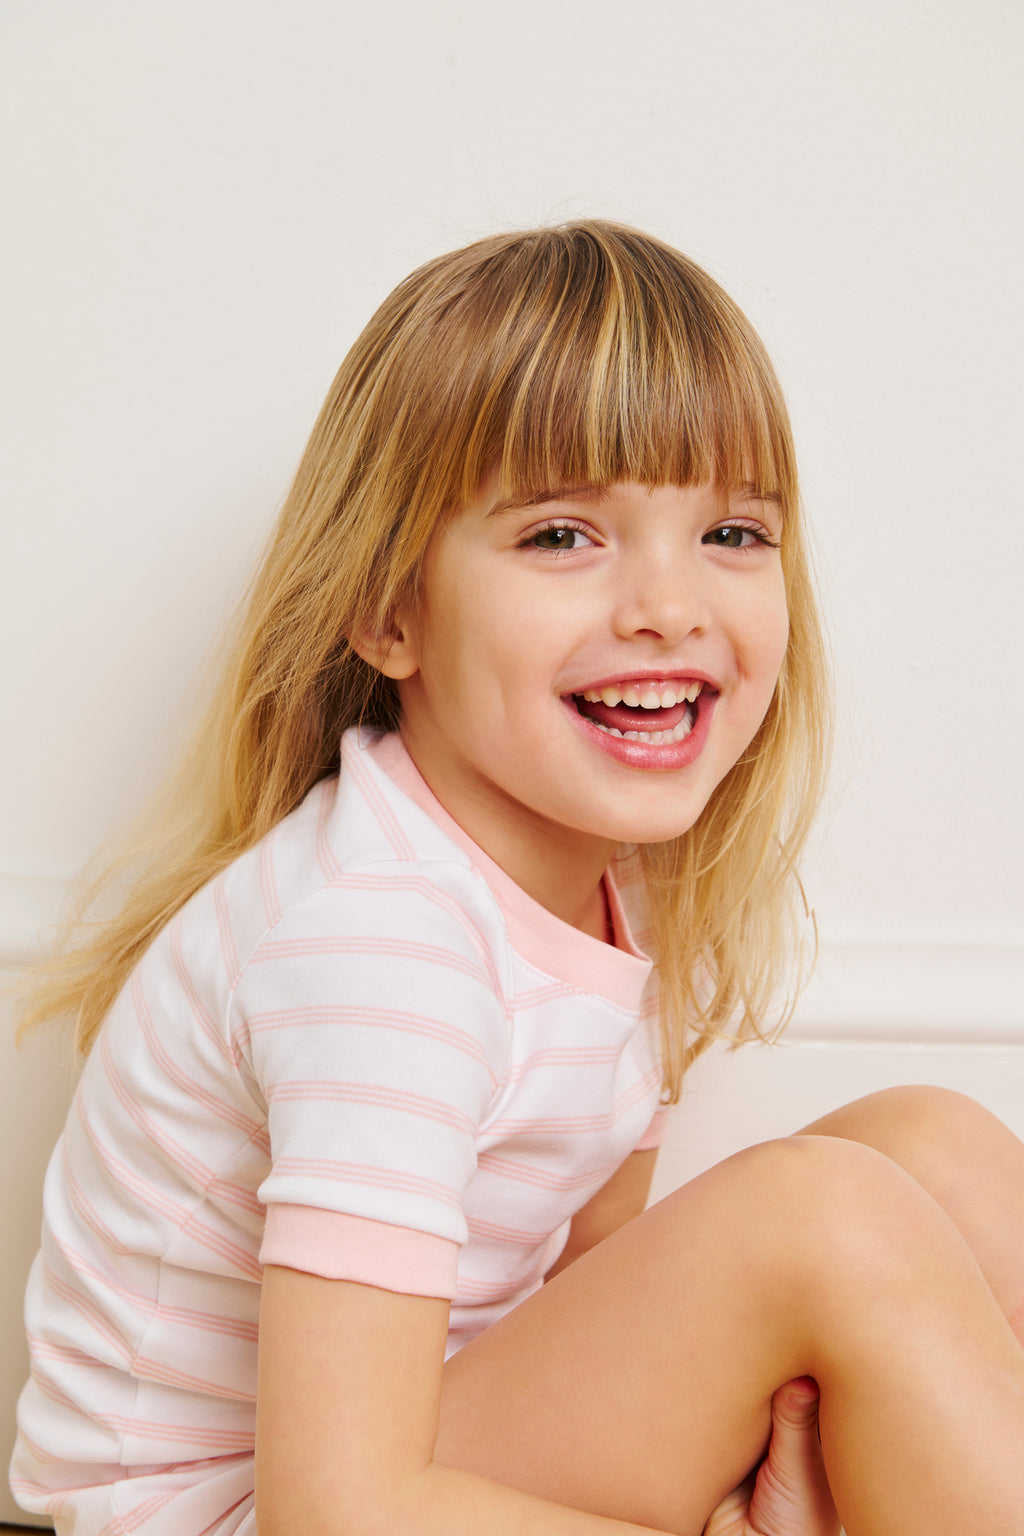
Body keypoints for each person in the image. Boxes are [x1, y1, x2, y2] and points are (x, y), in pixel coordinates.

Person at [9, 221, 1024, 1536]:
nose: (670, 604)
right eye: (562, 536)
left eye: (729, 530)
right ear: (389, 611)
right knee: (822, 1217)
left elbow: (594, 1299)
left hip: (421, 1444)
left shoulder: (615, 897)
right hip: (266, 1514)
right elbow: (340, 1508)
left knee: (929, 1145)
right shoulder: (382, 949)